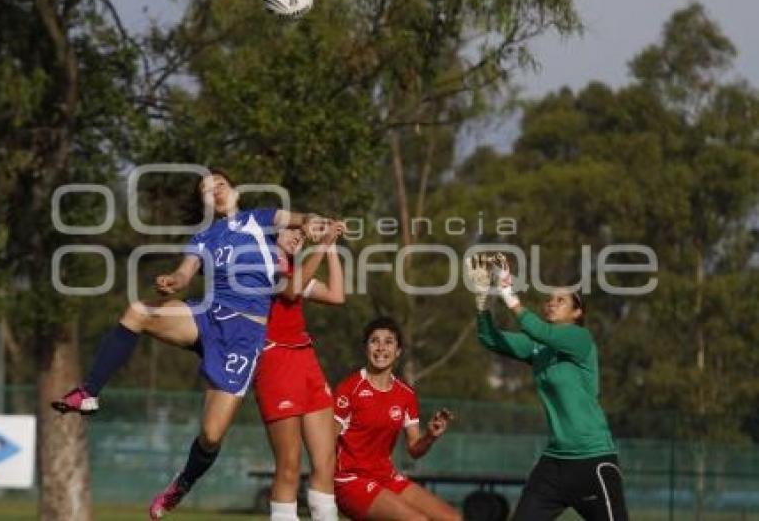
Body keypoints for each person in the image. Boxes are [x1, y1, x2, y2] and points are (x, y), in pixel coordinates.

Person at [51, 168, 328, 519]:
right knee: (138, 311)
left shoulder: (259, 218)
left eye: (220, 185)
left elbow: (299, 218)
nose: (215, 192)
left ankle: (181, 485)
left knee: (211, 435)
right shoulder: (204, 237)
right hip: (208, 316)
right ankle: (89, 392)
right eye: (207, 191)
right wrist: (173, 281)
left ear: (236, 191)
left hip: (242, 337)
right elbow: (185, 272)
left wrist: (313, 222)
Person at [468, 254, 628, 521]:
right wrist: (482, 300)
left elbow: (541, 331)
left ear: (577, 313)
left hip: (593, 461)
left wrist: (508, 292)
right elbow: (489, 338)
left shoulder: (581, 338)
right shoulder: (538, 348)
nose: (551, 303)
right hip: (554, 465)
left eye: (561, 300)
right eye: (549, 300)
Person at [255, 221, 346, 521]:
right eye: (291, 230)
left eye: (300, 233)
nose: (298, 236)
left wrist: (331, 246)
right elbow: (291, 292)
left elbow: (336, 295)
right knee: (289, 464)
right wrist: (321, 246)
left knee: (325, 461)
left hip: (305, 359)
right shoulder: (262, 262)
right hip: (275, 362)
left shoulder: (295, 267)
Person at [332, 317, 462, 521]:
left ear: (398, 351)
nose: (381, 347)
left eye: (389, 341)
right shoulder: (349, 389)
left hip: (386, 477)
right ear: (365, 348)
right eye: (374, 341)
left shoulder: (405, 394)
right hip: (350, 480)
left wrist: (430, 435)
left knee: (452, 518)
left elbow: (414, 450)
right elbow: (324, 444)